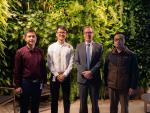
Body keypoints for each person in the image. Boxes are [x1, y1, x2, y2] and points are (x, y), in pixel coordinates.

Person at [104, 32, 138, 113]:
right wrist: (106, 84)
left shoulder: (131, 55)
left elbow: (135, 72)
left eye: (120, 39)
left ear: (124, 41)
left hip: (125, 87)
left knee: (124, 109)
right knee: (113, 108)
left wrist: (132, 86)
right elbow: (105, 70)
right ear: (114, 42)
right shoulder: (109, 54)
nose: (118, 41)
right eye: (116, 40)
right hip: (112, 87)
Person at [13, 29, 47, 113]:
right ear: (25, 38)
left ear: (36, 38)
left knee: (35, 107)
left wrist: (44, 82)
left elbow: (43, 68)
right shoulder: (20, 52)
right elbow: (17, 70)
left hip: (37, 84)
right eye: (29, 36)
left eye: (33, 36)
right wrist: (17, 86)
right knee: (24, 107)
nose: (31, 38)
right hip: (25, 84)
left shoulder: (40, 52)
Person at [75, 26, 103, 113]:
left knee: (95, 103)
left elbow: (100, 61)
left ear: (93, 34)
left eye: (90, 32)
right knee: (82, 104)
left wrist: (91, 72)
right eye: (86, 32)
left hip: (94, 78)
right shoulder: (78, 46)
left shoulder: (99, 46)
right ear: (83, 34)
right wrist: (84, 73)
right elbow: (76, 62)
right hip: (82, 79)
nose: (88, 34)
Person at [47, 26, 74, 113]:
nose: (61, 34)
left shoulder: (70, 47)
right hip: (55, 76)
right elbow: (49, 63)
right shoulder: (51, 47)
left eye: (63, 32)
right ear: (56, 34)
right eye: (60, 32)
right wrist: (56, 74)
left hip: (66, 76)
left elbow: (71, 63)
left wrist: (64, 74)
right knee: (54, 99)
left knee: (66, 99)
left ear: (66, 34)